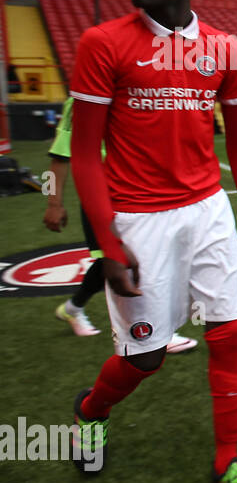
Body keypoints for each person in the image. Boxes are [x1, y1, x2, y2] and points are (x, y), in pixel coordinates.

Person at [67, 0, 237, 483]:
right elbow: (85, 154)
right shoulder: (102, 42)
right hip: (137, 217)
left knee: (230, 333)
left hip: (208, 207)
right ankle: (90, 410)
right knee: (146, 358)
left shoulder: (225, 49)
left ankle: (228, 460)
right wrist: (107, 243)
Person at [45, 95, 199, 352]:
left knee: (116, 262)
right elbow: (59, 157)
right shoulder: (82, 100)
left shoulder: (141, 91)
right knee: (128, 262)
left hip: (142, 192)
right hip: (104, 197)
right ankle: (156, 332)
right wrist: (53, 203)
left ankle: (73, 308)